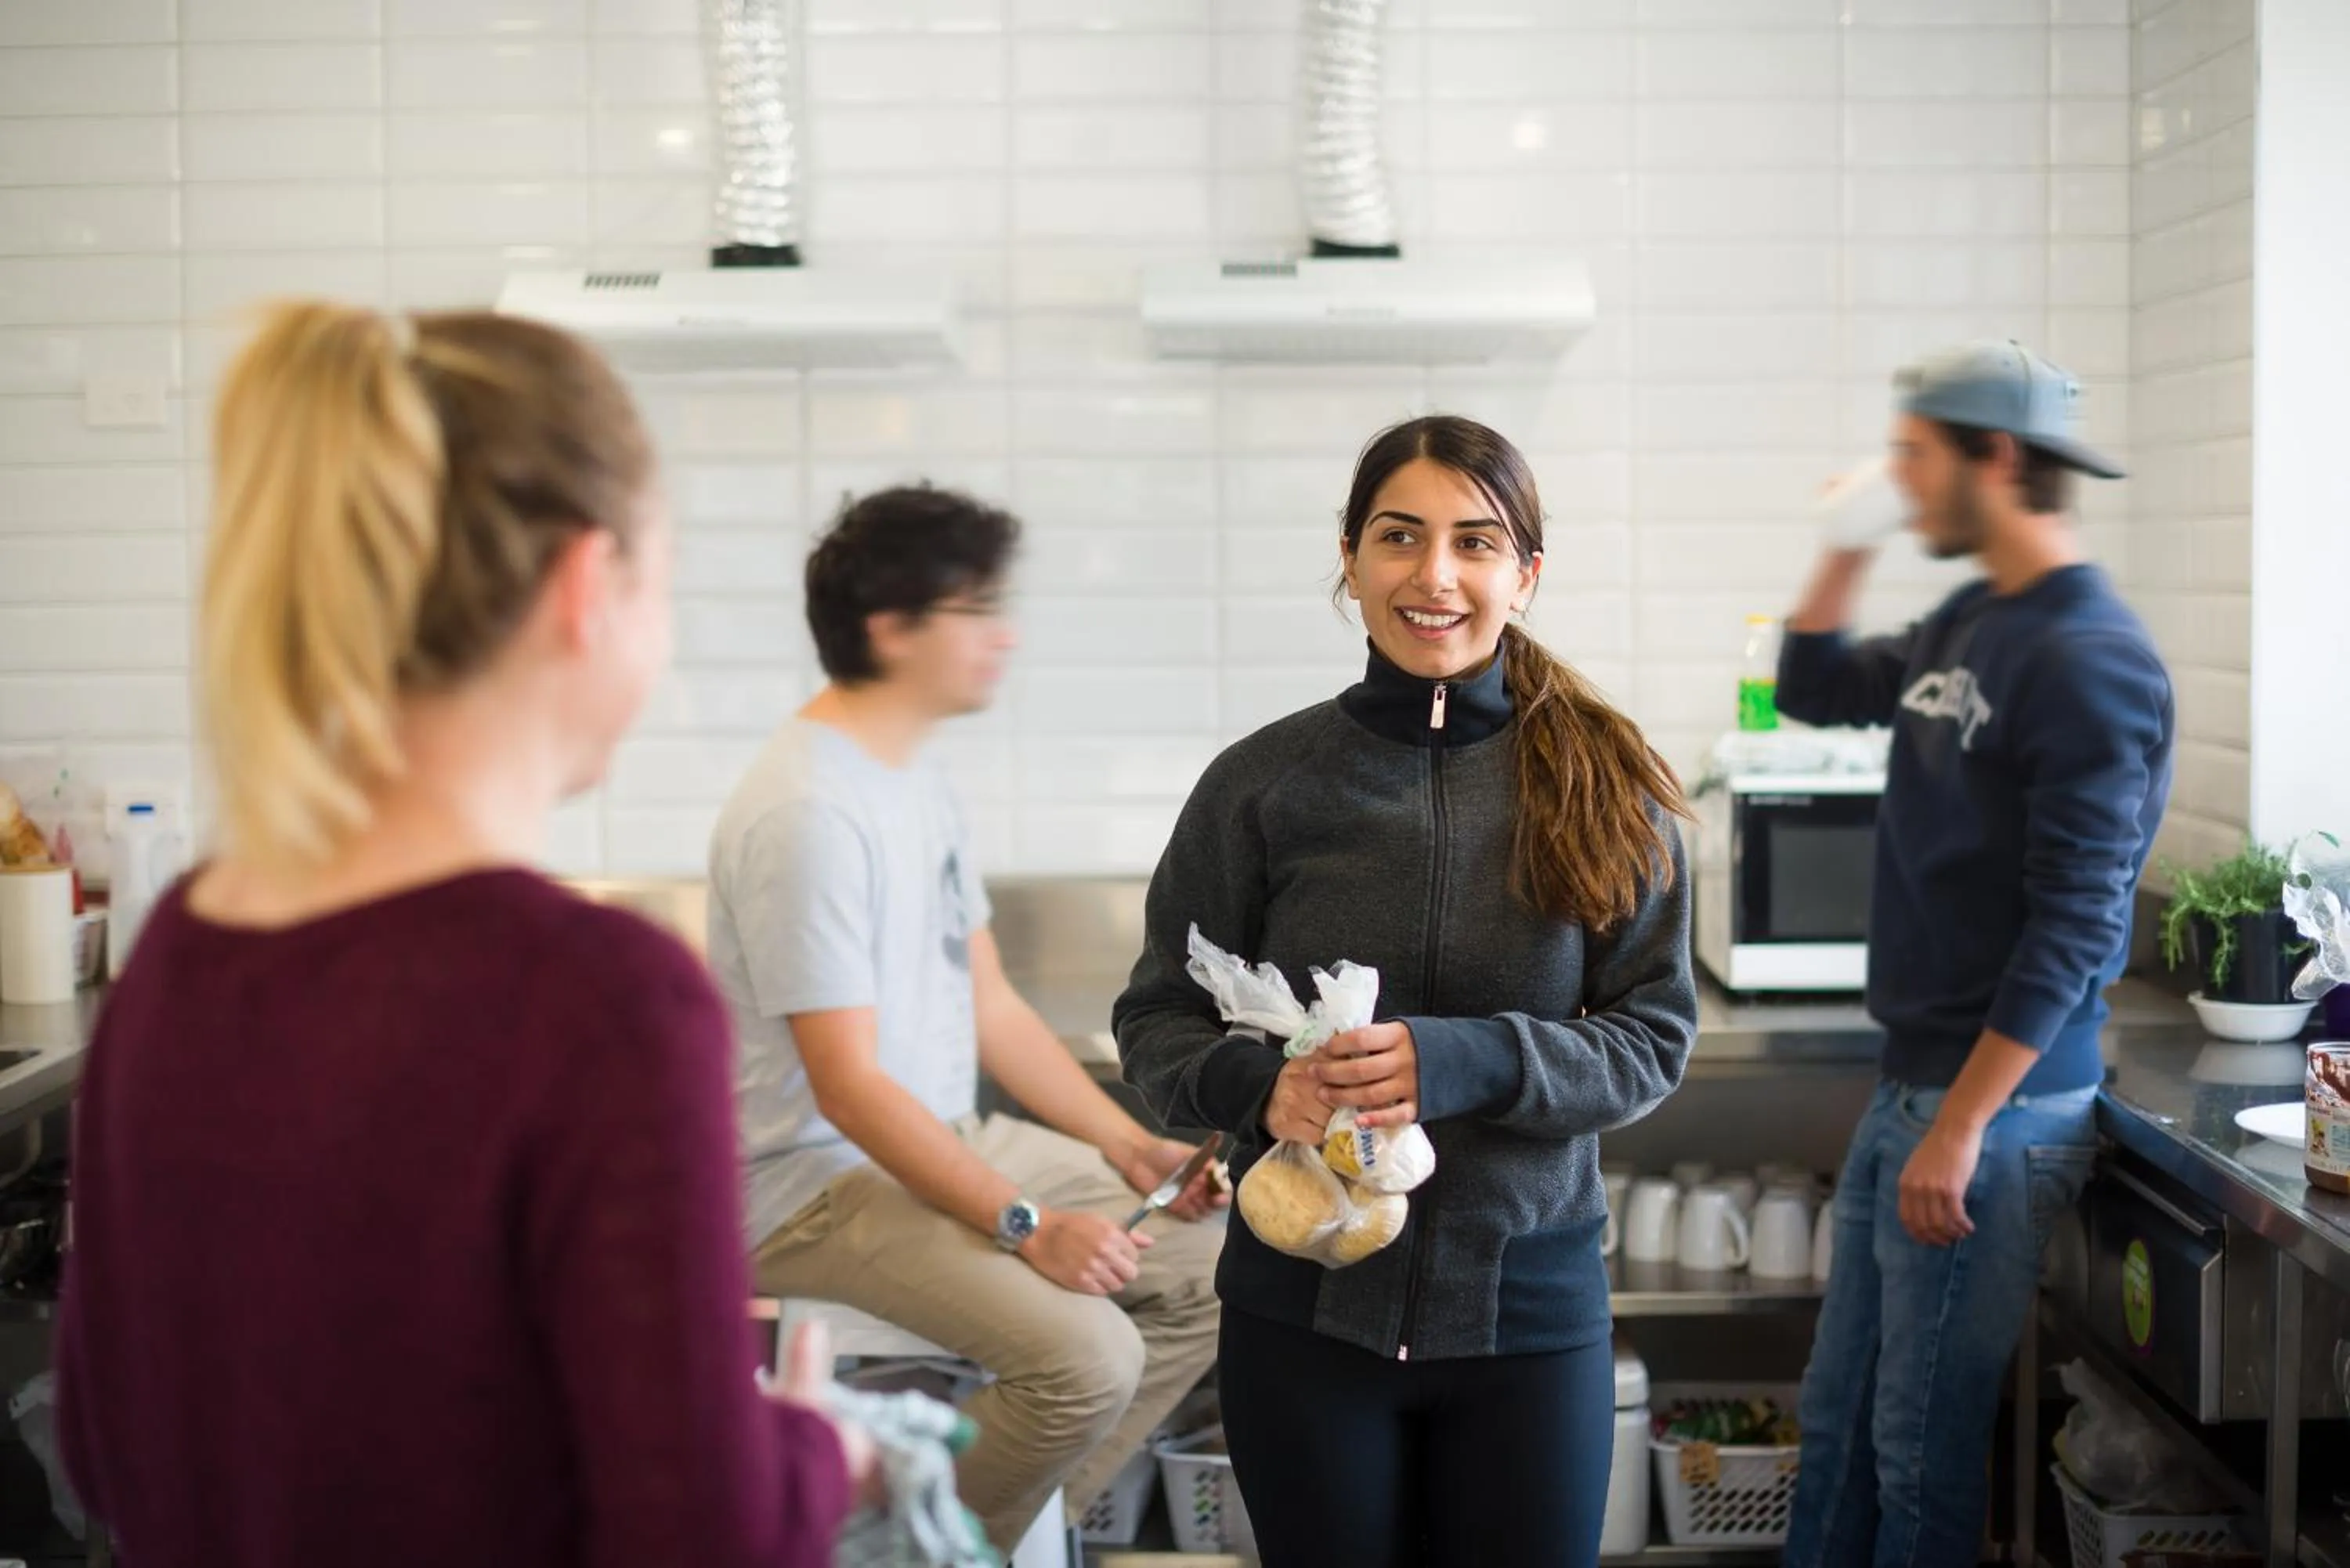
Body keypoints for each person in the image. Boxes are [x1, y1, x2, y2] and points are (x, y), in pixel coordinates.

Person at [52, 302, 868, 1567]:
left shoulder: (182, 942)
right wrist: (812, 1450)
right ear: (587, 586)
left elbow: (106, 1444)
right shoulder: (598, 997)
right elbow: (707, 1535)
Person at [1115, 416, 1698, 1568]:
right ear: (1350, 558)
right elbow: (1153, 1021)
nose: (1435, 575)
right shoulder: (1261, 786)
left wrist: (1462, 1059)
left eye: (1476, 543)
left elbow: (1652, 1039)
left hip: (1526, 1323)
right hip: (1304, 1323)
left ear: (1524, 575)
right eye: (1400, 536)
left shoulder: (1609, 795)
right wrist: (1258, 1089)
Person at [706, 485, 1227, 1553]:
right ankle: (898, 1541)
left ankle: (973, 1535)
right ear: (892, 629)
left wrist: (1128, 1146)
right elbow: (847, 1088)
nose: (1007, 633)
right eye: (976, 608)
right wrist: (1028, 1225)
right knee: (1088, 1357)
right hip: (807, 1187)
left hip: (935, 1140)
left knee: (1220, 1267)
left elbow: (988, 1002)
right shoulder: (808, 812)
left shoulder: (913, 779)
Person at [1777, 341, 2176, 1568]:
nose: (1899, 480)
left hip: (1993, 1115)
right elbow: (1810, 685)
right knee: (1838, 1422)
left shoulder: (2090, 656)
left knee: (1918, 1448)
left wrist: (1958, 1125)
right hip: (1920, 1088)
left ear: (1995, 458)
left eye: (1914, 456)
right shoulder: (1975, 616)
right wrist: (1846, 540)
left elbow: (2080, 923)